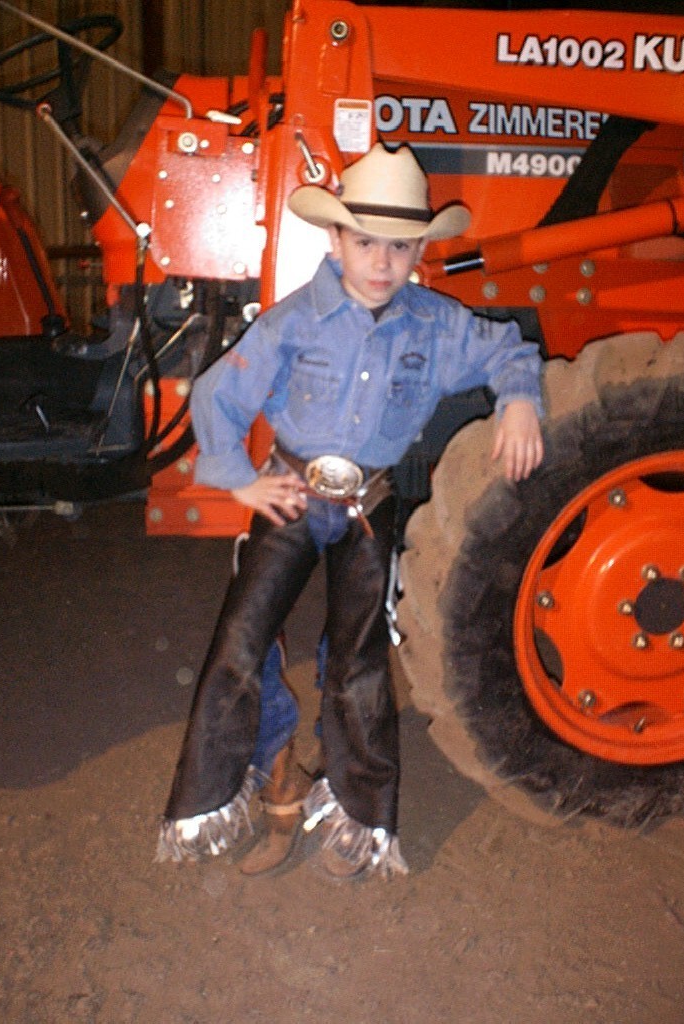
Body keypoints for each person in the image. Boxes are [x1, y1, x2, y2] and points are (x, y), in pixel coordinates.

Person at [156, 141, 544, 879]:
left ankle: (356, 811)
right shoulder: (293, 322)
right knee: (242, 640)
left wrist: (521, 399)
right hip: (293, 497)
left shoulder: (435, 324)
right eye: (365, 241)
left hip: (371, 507)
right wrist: (240, 481)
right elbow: (218, 396)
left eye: (399, 247)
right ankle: (260, 778)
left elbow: (508, 351)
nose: (380, 262)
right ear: (334, 240)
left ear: (418, 253)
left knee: (360, 660)